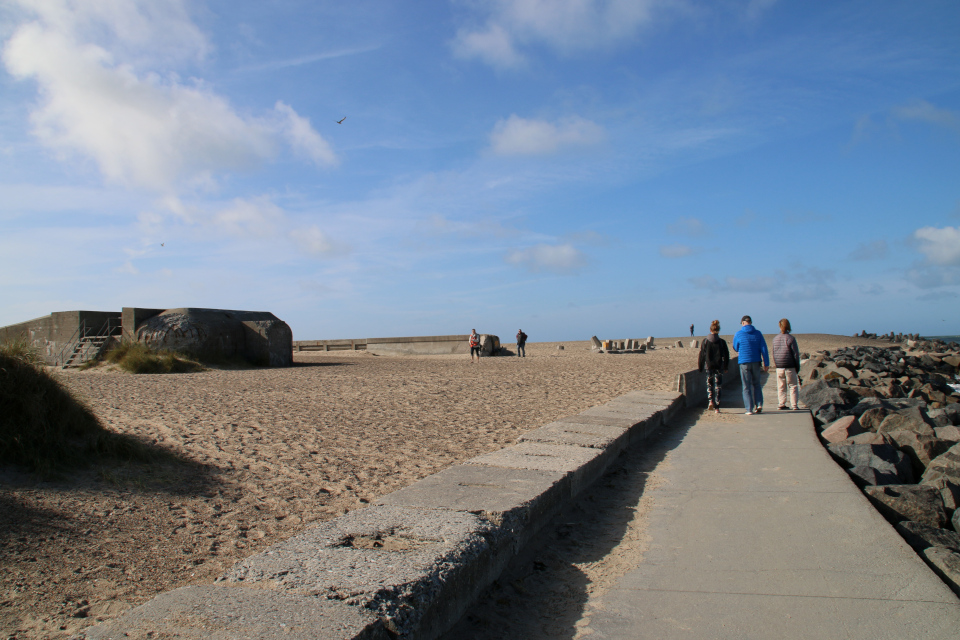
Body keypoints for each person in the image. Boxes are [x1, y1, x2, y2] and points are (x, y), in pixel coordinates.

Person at [732, 315, 769, 415]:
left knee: (746, 386)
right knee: (757, 384)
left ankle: (749, 409)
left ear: (743, 323)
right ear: (751, 322)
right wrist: (766, 363)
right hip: (756, 361)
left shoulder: (738, 334)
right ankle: (759, 404)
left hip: (744, 362)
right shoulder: (758, 333)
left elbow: (735, 347)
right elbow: (764, 349)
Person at [698, 319, 729, 414]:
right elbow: (726, 355)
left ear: (710, 330)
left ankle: (710, 401)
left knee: (709, 384)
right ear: (718, 330)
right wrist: (726, 366)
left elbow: (702, 355)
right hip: (719, 366)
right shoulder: (722, 342)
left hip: (709, 366)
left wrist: (700, 366)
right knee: (718, 386)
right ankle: (717, 407)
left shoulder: (705, 341)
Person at [773, 318, 801, 411]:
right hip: (790, 366)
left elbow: (774, 353)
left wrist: (776, 364)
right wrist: (797, 367)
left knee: (781, 386)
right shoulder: (791, 338)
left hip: (779, 366)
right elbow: (795, 354)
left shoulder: (775, 339)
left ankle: (781, 403)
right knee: (792, 385)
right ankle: (794, 405)